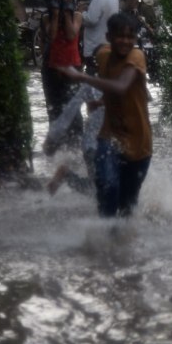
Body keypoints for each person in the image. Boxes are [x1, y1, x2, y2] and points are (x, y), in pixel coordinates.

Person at [56, 13, 152, 218]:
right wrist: (102, 101)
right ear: (108, 37)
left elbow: (121, 87)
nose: (125, 41)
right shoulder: (103, 57)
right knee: (107, 187)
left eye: (130, 37)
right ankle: (102, 242)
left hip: (139, 143)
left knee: (127, 204)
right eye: (120, 36)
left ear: (135, 39)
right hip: (109, 136)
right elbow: (113, 86)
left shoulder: (137, 56)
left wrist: (81, 76)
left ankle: (123, 244)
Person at [41, 0, 84, 146]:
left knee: (74, 109)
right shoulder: (46, 17)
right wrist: (55, 15)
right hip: (53, 69)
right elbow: (51, 37)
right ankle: (58, 146)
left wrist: (66, 13)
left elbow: (72, 34)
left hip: (73, 68)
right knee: (54, 109)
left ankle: (76, 145)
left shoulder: (77, 16)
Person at [80, 0, 119, 75]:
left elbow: (91, 19)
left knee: (94, 83)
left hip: (96, 48)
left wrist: (81, 12)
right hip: (108, 45)